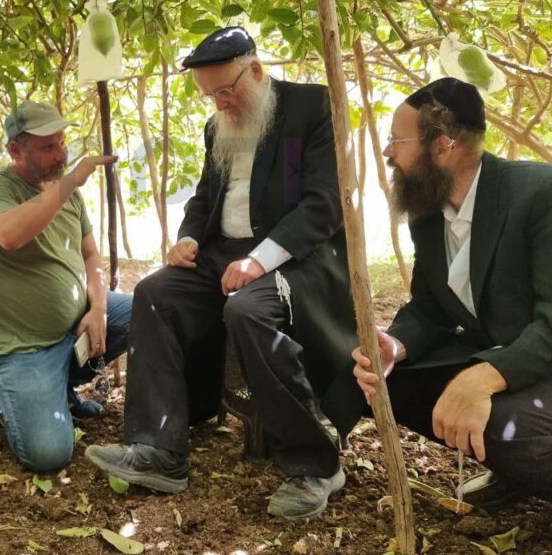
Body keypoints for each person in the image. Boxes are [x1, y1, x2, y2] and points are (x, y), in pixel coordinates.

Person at [87, 26, 360, 519]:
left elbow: (324, 204)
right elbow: (206, 198)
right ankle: (159, 450)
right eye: (209, 95)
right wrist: (189, 237)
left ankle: (315, 465)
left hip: (293, 259)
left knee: (248, 312)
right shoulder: (219, 127)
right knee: (154, 293)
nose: (219, 103)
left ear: (254, 70)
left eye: (225, 91)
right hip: (221, 254)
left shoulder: (311, 107)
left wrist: (260, 260)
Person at [351, 77, 552, 554]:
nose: (386, 152)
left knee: (507, 425)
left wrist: (484, 377)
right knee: (383, 382)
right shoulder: (430, 213)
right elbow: (430, 307)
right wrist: (395, 344)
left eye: (396, 140)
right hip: (516, 360)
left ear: (443, 144)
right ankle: (514, 470)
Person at [0, 101, 133, 472]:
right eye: (47, 147)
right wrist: (71, 181)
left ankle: (58, 391)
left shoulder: (66, 193)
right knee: (48, 455)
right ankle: (23, 403)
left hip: (70, 328)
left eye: (61, 142)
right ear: (15, 151)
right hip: (18, 348)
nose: (61, 154)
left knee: (150, 310)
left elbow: (90, 254)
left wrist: (99, 309)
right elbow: (7, 234)